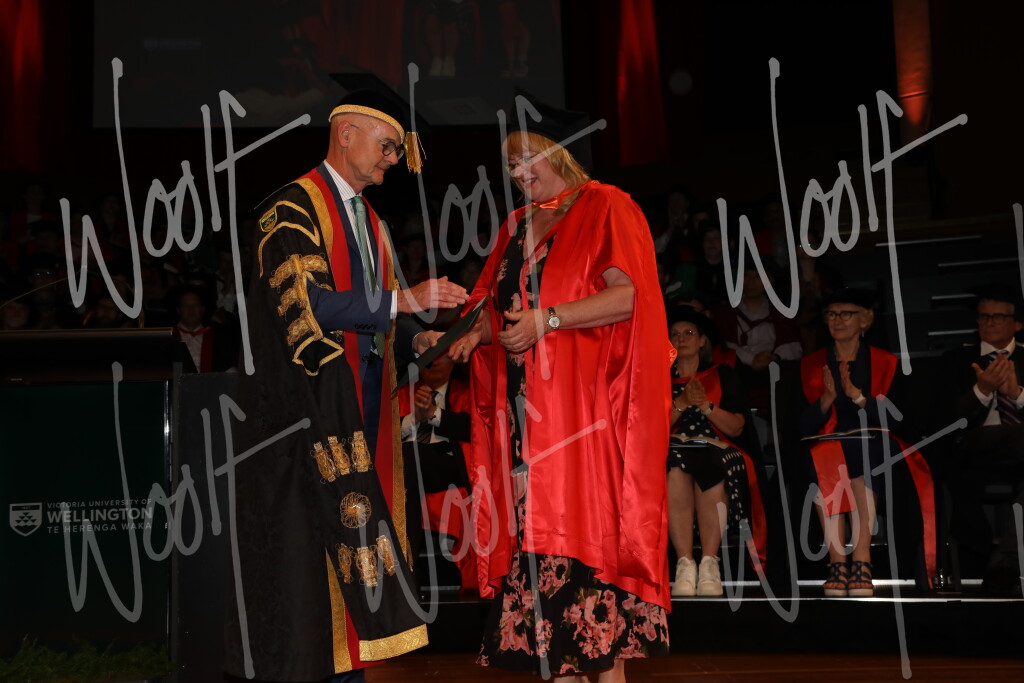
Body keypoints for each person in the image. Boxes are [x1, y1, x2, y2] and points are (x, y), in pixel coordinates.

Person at [227, 88, 467, 683]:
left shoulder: (372, 221)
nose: (394, 159)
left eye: (396, 149)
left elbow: (378, 308)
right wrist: (403, 301)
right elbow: (305, 303)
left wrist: (416, 336)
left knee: (355, 538)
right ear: (346, 133)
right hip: (306, 416)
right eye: (387, 145)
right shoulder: (291, 207)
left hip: (365, 408)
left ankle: (349, 668)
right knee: (307, 552)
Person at [452, 103, 671, 681]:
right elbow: (493, 311)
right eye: (511, 164)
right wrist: (466, 334)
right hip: (524, 426)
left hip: (582, 423)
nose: (518, 172)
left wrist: (547, 320)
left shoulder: (606, 205)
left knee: (592, 602)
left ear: (564, 154)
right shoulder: (515, 226)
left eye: (529, 158)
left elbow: (629, 297)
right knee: (550, 631)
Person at [796, 288, 936, 597]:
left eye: (846, 314)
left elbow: (900, 420)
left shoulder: (886, 363)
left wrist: (859, 398)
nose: (837, 320)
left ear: (866, 320)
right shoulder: (811, 365)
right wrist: (826, 400)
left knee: (861, 453)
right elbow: (800, 427)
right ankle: (837, 561)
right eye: (832, 314)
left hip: (876, 444)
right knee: (825, 454)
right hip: (827, 443)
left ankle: (861, 558)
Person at [666, 306, 767, 597]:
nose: (681, 338)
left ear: (702, 341)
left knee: (710, 461)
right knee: (675, 464)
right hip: (672, 452)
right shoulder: (658, 377)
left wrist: (705, 406)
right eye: (675, 334)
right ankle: (685, 564)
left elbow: (737, 427)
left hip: (719, 448)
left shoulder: (722, 374)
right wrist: (682, 403)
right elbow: (649, 430)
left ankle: (709, 562)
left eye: (689, 333)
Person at [931, 284, 1024, 595]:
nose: (989, 322)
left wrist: (1017, 395)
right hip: (973, 449)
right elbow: (942, 422)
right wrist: (981, 391)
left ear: (1018, 324)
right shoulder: (955, 360)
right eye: (983, 317)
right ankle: (1006, 561)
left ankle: (1004, 563)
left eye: (998, 316)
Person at [398, 353, 478, 594]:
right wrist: (415, 417)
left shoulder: (467, 392)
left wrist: (434, 413)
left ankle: (408, 566)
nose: (432, 362)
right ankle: (405, 562)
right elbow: (382, 433)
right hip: (407, 466)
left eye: (440, 355)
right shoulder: (402, 392)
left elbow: (473, 428)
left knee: (411, 454)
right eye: (427, 356)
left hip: (448, 466)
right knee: (408, 459)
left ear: (454, 359)